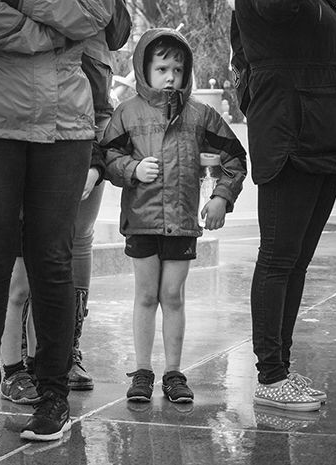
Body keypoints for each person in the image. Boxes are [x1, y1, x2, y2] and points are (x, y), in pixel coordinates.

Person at [0, 0, 116, 443]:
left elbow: (95, 14)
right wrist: (53, 33)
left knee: (52, 260)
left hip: (65, 122)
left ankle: (54, 397)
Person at [234, 0, 336, 411]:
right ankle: (270, 375)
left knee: (295, 262)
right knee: (277, 259)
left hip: (325, 134)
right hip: (289, 135)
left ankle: (282, 368)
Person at [102, 28, 247, 404]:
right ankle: (142, 371)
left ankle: (173, 372)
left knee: (173, 296)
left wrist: (220, 198)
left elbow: (235, 158)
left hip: (182, 222)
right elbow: (107, 158)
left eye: (178, 69)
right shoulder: (127, 113)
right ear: (144, 69)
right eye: (162, 67)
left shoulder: (200, 115)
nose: (171, 76)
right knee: (146, 295)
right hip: (142, 220)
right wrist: (132, 169)